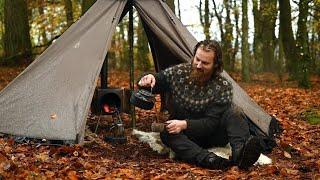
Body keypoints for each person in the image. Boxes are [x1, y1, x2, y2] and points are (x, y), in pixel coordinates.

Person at [137, 40, 262, 170]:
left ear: (215, 65)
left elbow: (210, 124)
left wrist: (184, 124)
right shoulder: (179, 73)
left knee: (235, 112)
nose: (198, 65)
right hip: (188, 137)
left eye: (205, 63)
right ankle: (209, 160)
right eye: (197, 59)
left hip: (213, 134)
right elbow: (158, 79)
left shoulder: (222, 87)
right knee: (166, 133)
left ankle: (240, 155)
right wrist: (148, 78)